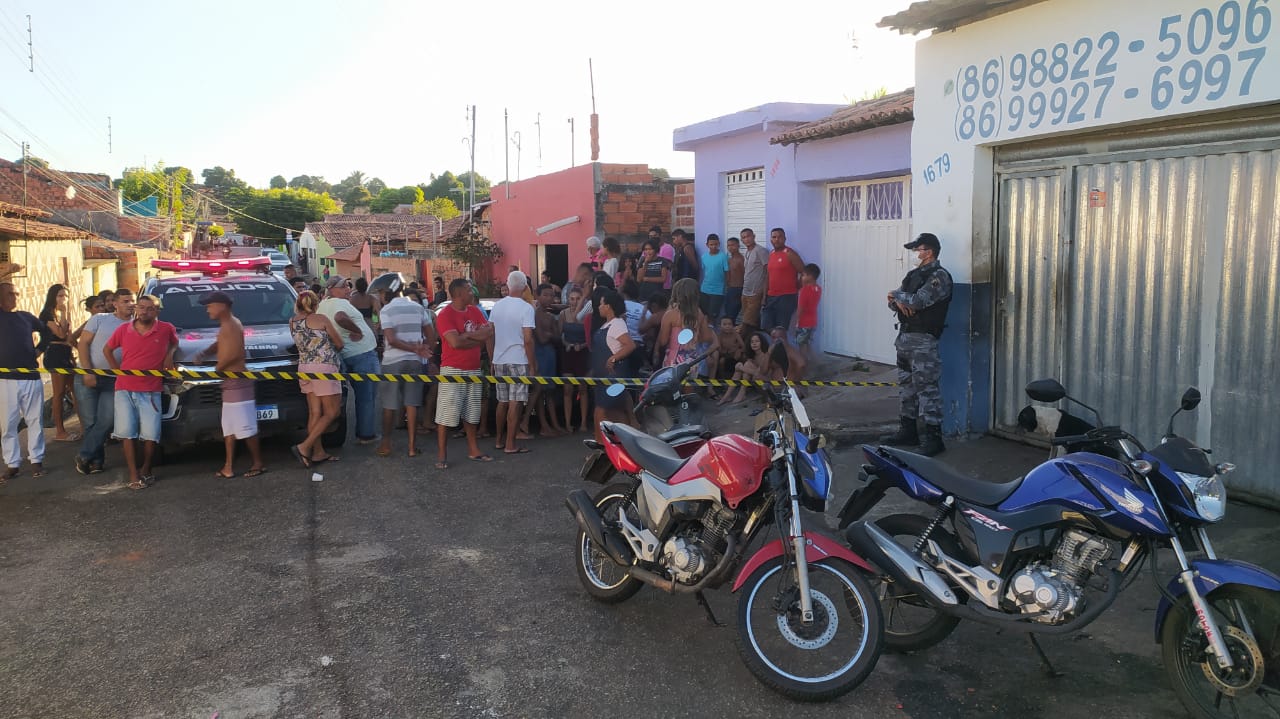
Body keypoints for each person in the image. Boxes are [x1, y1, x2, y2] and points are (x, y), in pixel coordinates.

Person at [882, 233, 953, 457]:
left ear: (929, 251)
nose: (916, 254)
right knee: (907, 387)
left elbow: (919, 301)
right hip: (905, 338)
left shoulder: (939, 277)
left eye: (918, 249)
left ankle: (934, 438)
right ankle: (908, 430)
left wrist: (897, 295)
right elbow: (894, 303)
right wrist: (898, 300)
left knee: (927, 389)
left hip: (924, 341)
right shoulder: (913, 275)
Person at [104, 294, 177, 489]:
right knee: (127, 432)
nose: (145, 311)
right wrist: (116, 371)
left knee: (151, 433)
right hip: (124, 389)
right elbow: (107, 350)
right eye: (141, 307)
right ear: (136, 309)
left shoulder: (166, 329)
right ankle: (133, 474)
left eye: (150, 308)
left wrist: (169, 356)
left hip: (151, 389)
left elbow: (175, 343)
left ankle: (146, 469)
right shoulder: (123, 330)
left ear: (157, 311)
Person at [195, 292, 266, 479]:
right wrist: (204, 352)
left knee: (246, 427)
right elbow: (221, 344)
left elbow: (234, 353)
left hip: (238, 384)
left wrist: (217, 369)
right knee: (229, 427)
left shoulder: (232, 325)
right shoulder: (227, 325)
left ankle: (258, 463)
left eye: (210, 305)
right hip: (230, 383)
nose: (207, 309)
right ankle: (228, 466)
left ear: (222, 305)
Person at [434, 278, 494, 467]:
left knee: (472, 411)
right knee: (446, 414)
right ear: (459, 293)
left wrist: (467, 335)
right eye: (469, 290)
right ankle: (442, 454)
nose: (472, 293)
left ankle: (473, 449)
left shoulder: (475, 311)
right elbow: (455, 343)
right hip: (453, 369)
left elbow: (489, 332)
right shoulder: (445, 315)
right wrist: (476, 339)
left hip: (474, 368)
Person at [74, 288, 134, 475]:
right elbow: (83, 344)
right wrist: (88, 372)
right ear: (114, 303)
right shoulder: (100, 319)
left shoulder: (137, 324)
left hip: (113, 380)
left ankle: (84, 455)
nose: (130, 304)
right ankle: (96, 462)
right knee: (90, 421)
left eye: (132, 301)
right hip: (87, 375)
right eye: (125, 301)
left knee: (106, 420)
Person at [375, 275, 434, 459]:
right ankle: (411, 447)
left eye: (381, 292)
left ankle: (385, 444)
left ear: (388, 291)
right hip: (415, 362)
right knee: (412, 404)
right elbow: (431, 335)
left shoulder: (386, 311)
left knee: (389, 405)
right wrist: (423, 351)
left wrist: (412, 347)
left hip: (392, 361)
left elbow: (391, 340)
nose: (380, 295)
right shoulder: (418, 308)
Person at [319, 275, 380, 445]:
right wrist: (357, 331)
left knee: (350, 396)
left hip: (345, 355)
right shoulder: (340, 304)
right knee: (366, 396)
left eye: (348, 286)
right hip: (363, 354)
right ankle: (365, 434)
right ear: (332, 289)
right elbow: (340, 318)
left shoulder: (322, 305)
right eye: (344, 286)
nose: (348, 289)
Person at [289, 290, 344, 467]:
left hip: (304, 367)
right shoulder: (321, 319)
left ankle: (318, 452)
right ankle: (304, 447)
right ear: (315, 304)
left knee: (315, 412)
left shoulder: (293, 322)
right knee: (332, 412)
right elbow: (339, 343)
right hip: (324, 367)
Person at [0, 282, 46, 480]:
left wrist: (39, 350)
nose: (15, 297)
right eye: (10, 294)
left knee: (35, 420)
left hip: (30, 377)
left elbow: (47, 332)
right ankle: (12, 463)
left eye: (16, 294)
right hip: (5, 379)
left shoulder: (25, 317)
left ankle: (36, 460)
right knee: (8, 424)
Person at [489, 270, 537, 455]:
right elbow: (528, 339)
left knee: (502, 402)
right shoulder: (526, 308)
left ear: (508, 286)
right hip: (518, 359)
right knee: (515, 402)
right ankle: (511, 443)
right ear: (525, 287)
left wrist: (493, 357)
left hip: (500, 359)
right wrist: (532, 365)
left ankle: (499, 440)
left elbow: (490, 333)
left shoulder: (497, 306)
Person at [521, 283, 565, 437]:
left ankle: (550, 425)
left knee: (548, 391)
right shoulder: (536, 314)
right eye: (545, 295)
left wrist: (551, 334)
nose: (549, 298)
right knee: (539, 389)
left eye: (551, 295)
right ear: (537, 296)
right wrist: (551, 333)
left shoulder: (550, 315)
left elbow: (557, 337)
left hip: (549, 355)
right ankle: (527, 421)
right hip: (540, 354)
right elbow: (542, 337)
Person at [38, 284, 79, 442]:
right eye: (60, 296)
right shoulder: (48, 314)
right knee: (59, 393)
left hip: (67, 354)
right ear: (53, 297)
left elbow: (68, 336)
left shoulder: (62, 314)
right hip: (55, 355)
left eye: (66, 296)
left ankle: (83, 427)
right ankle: (60, 431)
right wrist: (63, 314)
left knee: (75, 391)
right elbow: (60, 334)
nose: (64, 299)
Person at [591, 289, 636, 432]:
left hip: (614, 375)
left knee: (601, 412)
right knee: (614, 413)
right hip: (603, 377)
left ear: (608, 306)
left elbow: (630, 345)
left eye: (601, 304)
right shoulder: (607, 325)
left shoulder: (617, 323)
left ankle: (602, 445)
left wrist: (613, 357)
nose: (599, 307)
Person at [658, 278, 719, 374]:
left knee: (673, 387)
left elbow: (663, 341)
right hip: (692, 360)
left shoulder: (671, 314)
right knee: (688, 386)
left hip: (672, 360)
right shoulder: (699, 313)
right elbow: (707, 337)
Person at [760, 228, 805, 335]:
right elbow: (768, 276)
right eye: (774, 237)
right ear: (770, 239)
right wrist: (764, 296)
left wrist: (797, 286)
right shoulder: (771, 254)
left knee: (781, 328)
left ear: (785, 238)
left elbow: (804, 272)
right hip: (771, 296)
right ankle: (777, 346)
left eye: (780, 237)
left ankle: (782, 349)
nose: (777, 239)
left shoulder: (790, 253)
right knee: (765, 325)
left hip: (786, 297)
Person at [559, 287, 590, 432]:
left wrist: (582, 345)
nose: (574, 301)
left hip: (582, 353)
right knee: (567, 389)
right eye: (572, 298)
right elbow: (560, 336)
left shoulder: (587, 314)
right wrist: (567, 344)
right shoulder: (563, 314)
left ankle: (583, 423)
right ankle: (567, 423)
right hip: (568, 353)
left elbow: (591, 338)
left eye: (578, 298)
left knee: (583, 388)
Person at [718, 331, 772, 406]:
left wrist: (741, 368)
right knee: (743, 365)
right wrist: (741, 367)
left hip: (766, 383)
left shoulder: (765, 355)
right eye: (752, 342)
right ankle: (727, 396)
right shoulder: (753, 355)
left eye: (757, 341)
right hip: (756, 379)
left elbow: (758, 374)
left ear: (762, 342)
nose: (754, 343)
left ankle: (741, 393)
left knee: (744, 366)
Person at [739, 228, 770, 338]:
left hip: (756, 293)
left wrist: (764, 294)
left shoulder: (761, 251)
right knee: (749, 322)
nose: (746, 239)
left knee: (747, 324)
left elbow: (768, 273)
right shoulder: (747, 252)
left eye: (748, 236)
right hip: (745, 292)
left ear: (754, 236)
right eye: (743, 237)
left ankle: (744, 348)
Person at [796, 263, 822, 363]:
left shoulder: (804, 291)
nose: (801, 277)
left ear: (810, 276)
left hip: (804, 322)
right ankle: (817, 363)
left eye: (803, 275)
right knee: (808, 344)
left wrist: (796, 322)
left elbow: (801, 308)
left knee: (802, 346)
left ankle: (804, 365)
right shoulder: (818, 289)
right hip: (813, 321)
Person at [699, 234, 728, 321]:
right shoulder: (704, 257)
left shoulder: (723, 256)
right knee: (703, 313)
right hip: (704, 289)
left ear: (719, 244)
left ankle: (712, 332)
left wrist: (726, 287)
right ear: (707, 245)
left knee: (713, 315)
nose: (714, 246)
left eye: (716, 244)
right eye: (711, 244)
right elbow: (704, 272)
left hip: (718, 290)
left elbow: (727, 272)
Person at [712, 316, 746, 381]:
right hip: (725, 355)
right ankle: (723, 379)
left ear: (733, 326)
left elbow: (743, 346)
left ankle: (742, 378)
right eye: (724, 324)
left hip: (735, 354)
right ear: (720, 326)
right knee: (721, 361)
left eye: (729, 324)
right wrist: (726, 352)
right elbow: (719, 349)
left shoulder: (735, 334)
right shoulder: (719, 336)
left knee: (744, 357)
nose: (727, 326)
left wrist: (739, 350)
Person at [723, 236, 745, 323]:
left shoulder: (741, 259)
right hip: (729, 289)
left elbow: (745, 275)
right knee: (727, 313)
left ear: (738, 246)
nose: (730, 247)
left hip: (738, 289)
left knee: (732, 315)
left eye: (733, 245)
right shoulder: (729, 259)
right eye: (728, 245)